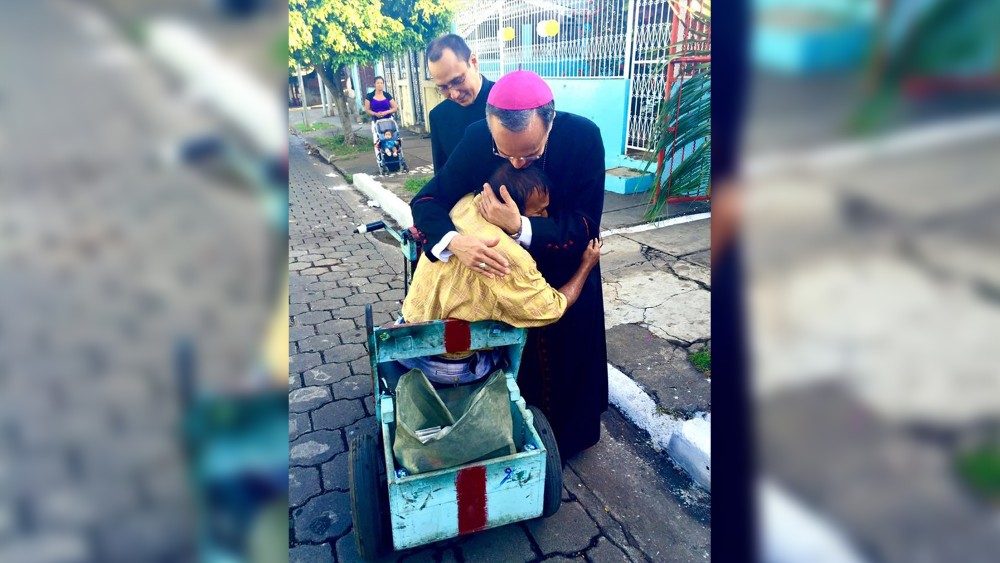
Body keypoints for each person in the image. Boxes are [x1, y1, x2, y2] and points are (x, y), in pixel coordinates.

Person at [410, 70, 608, 460]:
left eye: (530, 153)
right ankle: (509, 438)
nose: (517, 163)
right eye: (505, 154)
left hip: (563, 265)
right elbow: (428, 200)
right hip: (501, 280)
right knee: (515, 370)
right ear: (490, 127)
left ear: (550, 121)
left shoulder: (583, 137)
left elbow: (586, 224)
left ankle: (566, 445)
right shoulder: (477, 138)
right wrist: (456, 242)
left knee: (570, 371)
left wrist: (521, 227)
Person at [426, 34, 495, 171]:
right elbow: (442, 175)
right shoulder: (439, 116)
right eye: (443, 87)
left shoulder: (507, 101)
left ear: (473, 62)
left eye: (458, 81)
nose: (454, 94)